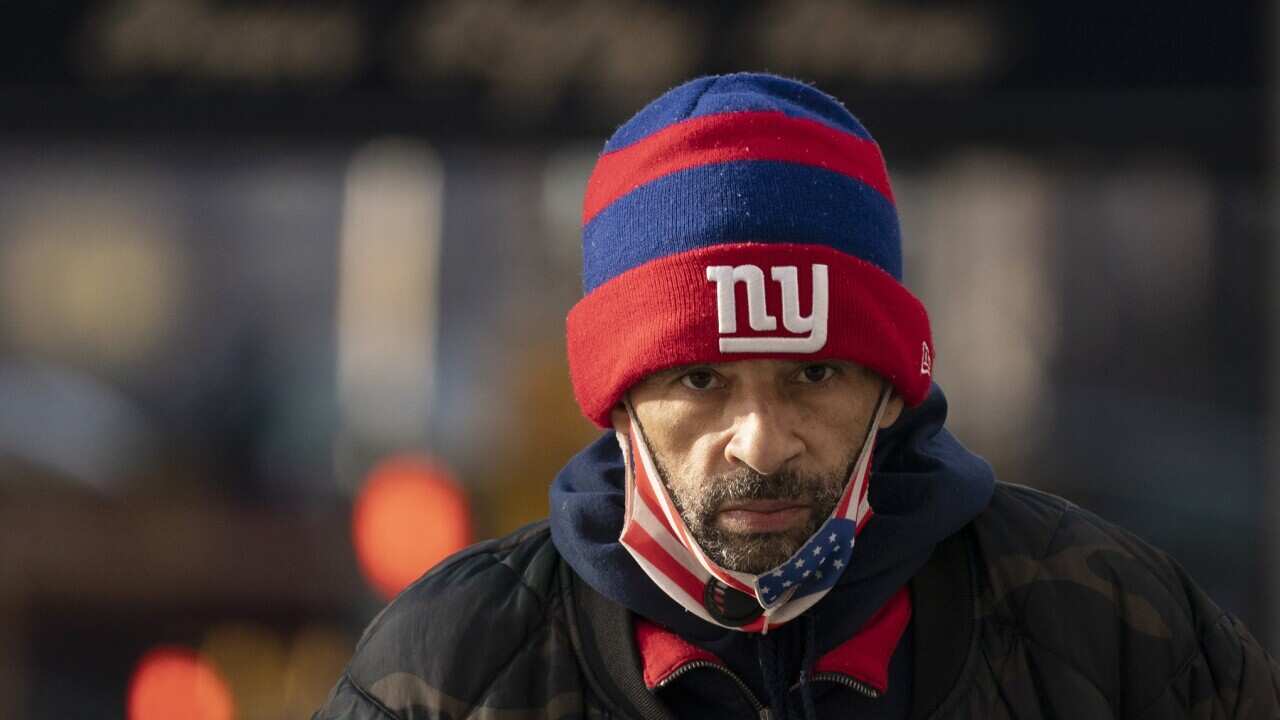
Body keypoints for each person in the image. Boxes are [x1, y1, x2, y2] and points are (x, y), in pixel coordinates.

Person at [314, 73, 1279, 720]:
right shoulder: (445, 672)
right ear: (613, 399)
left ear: (896, 387)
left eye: (814, 373)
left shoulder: (1120, 634)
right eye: (700, 379)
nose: (762, 444)